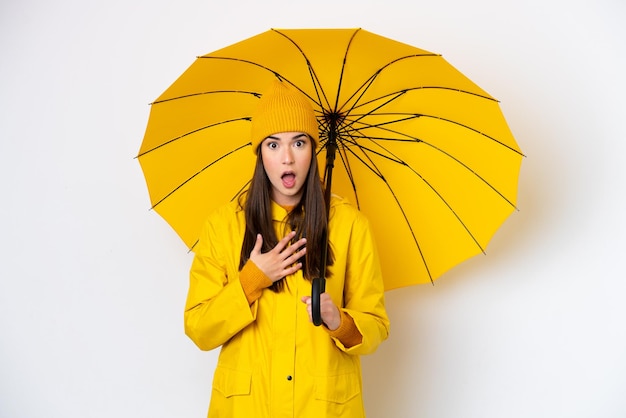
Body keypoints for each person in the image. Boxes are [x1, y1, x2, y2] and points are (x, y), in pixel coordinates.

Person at [184, 80, 390, 418]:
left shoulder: (351, 225)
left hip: (323, 406)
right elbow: (199, 329)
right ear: (259, 153)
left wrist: (339, 321)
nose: (287, 158)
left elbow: (377, 325)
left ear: (313, 149)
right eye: (273, 144)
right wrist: (251, 279)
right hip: (248, 407)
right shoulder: (223, 225)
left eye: (299, 142)